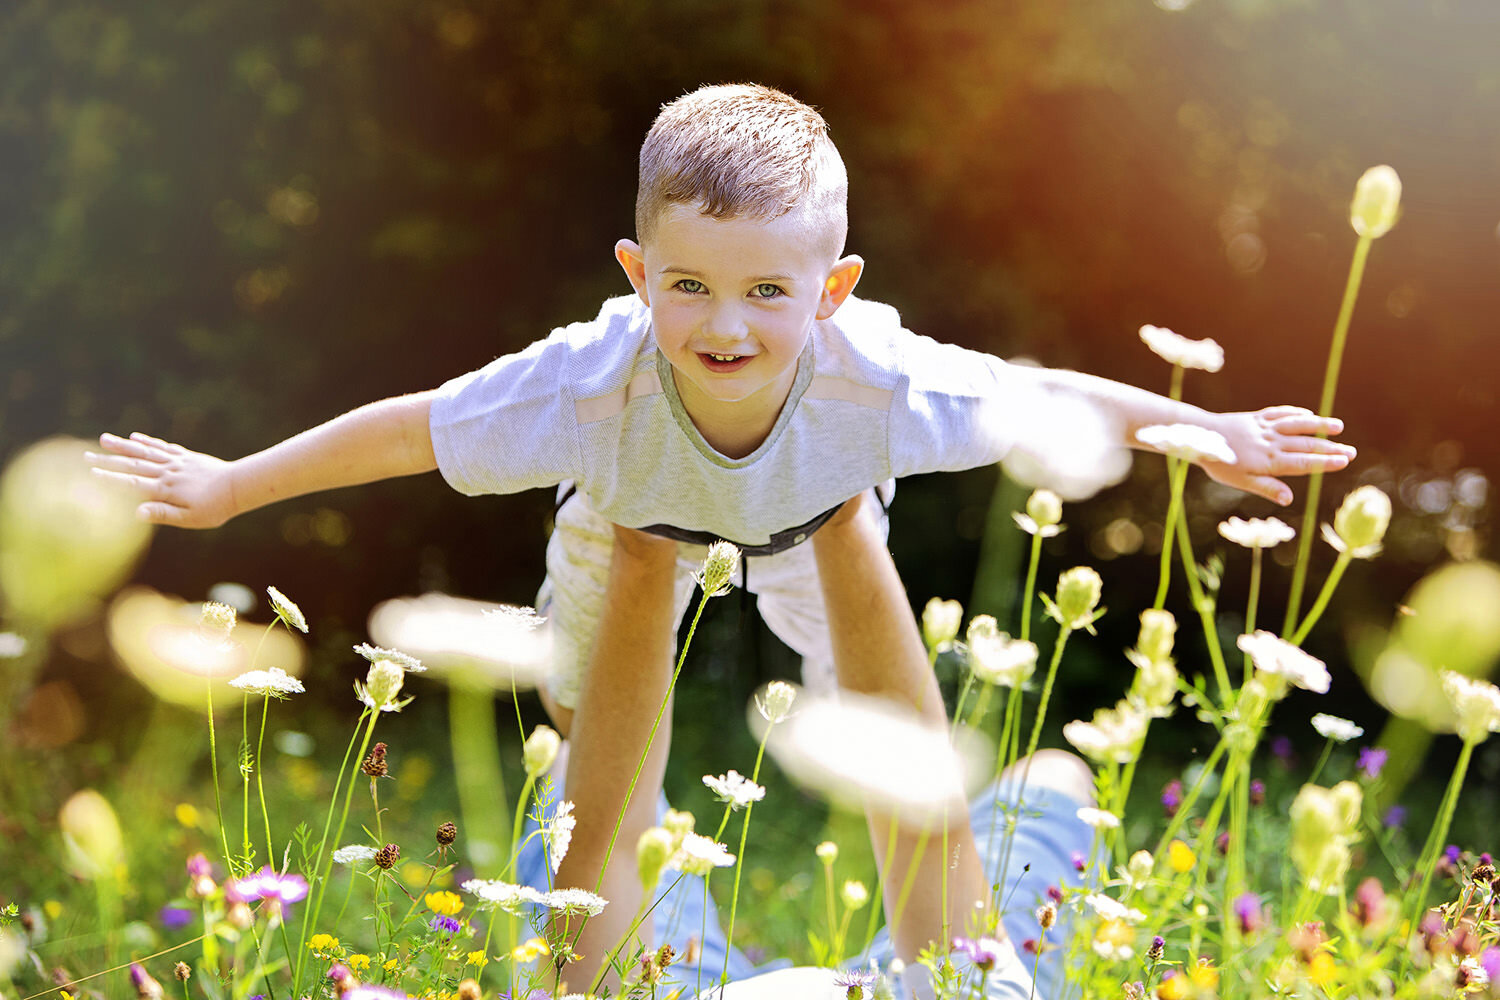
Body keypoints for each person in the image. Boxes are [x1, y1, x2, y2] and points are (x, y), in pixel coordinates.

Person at [91, 83, 1355, 995]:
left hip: (817, 533)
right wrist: (231, 485)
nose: (727, 325)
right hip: (619, 522)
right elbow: (411, 431)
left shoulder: (880, 380)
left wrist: (1206, 431)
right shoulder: (589, 384)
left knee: (875, 719)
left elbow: (1047, 398)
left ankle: (925, 861)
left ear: (835, 289)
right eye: (689, 286)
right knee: (590, 728)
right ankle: (612, 886)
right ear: (640, 273)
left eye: (768, 290)